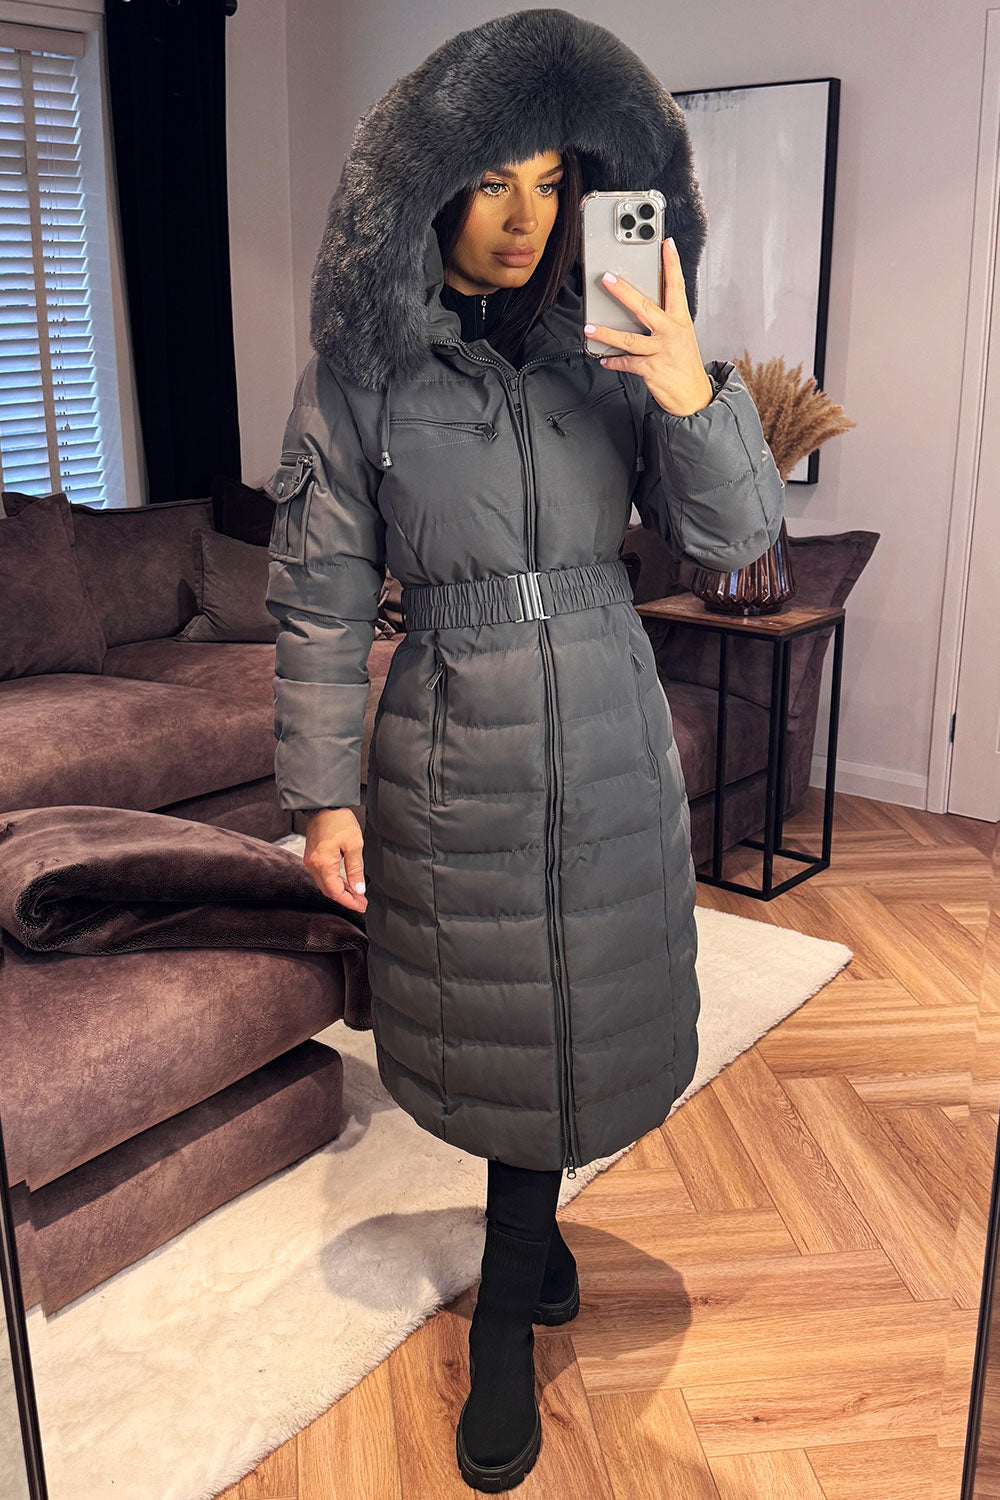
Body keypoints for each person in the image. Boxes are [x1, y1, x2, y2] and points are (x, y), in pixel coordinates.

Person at [264, 10, 785, 1492]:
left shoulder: (618, 352)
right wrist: (321, 795)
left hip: (610, 717)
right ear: (431, 189)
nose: (523, 217)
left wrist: (688, 383)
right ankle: (511, 1303)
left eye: (552, 182)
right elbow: (317, 594)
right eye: (491, 180)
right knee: (502, 1004)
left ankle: (521, 1257)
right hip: (451, 732)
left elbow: (740, 546)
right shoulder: (362, 368)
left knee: (588, 997)